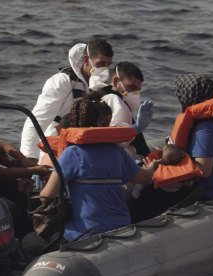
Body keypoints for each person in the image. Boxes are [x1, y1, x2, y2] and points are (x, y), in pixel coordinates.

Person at [39, 97, 157, 241]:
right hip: (122, 227)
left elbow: (46, 196)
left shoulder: (72, 153)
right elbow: (143, 177)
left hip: (86, 233)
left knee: (29, 243)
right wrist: (152, 167)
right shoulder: (116, 151)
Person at [129, 74, 213, 222]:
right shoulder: (208, 120)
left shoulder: (205, 131)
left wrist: (161, 170)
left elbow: (205, 171)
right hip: (189, 184)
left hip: (204, 190)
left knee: (144, 201)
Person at [20, 38, 114, 160]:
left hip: (83, 149)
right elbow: (37, 121)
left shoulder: (98, 87)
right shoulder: (62, 82)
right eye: (101, 64)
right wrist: (29, 158)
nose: (105, 69)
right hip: (55, 151)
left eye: (108, 65)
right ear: (86, 60)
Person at [92, 61, 154, 156]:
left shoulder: (102, 94)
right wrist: (136, 128)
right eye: (132, 87)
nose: (135, 93)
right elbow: (117, 140)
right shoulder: (116, 101)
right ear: (116, 81)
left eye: (137, 90)